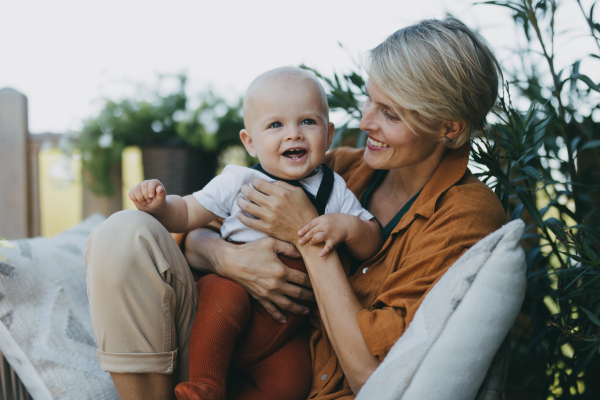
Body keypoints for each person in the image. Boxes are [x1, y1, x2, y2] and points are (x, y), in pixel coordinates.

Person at [84, 17, 505, 400]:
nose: (365, 123)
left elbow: (374, 375)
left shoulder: (463, 215)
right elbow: (188, 233)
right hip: (223, 328)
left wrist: (307, 236)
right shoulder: (341, 166)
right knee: (124, 233)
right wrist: (230, 259)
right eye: (369, 101)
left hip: (298, 368)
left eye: (389, 113)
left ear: (448, 128)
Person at [120, 67, 381, 400]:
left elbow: (372, 239)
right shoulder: (238, 182)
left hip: (285, 331)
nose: (294, 135)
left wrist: (346, 227)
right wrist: (160, 206)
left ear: (328, 135)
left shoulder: (333, 189)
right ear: (250, 142)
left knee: (293, 382)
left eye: (307, 122)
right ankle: (206, 384)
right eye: (276, 125)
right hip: (236, 295)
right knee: (221, 297)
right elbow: (188, 212)